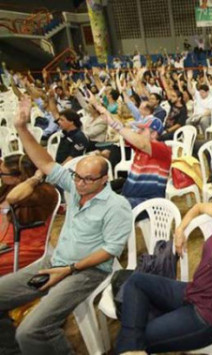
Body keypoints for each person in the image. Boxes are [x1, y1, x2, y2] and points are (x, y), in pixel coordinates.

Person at [0, 96, 132, 355]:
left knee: (33, 330)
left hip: (87, 271)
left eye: (87, 179)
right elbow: (45, 163)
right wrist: (22, 129)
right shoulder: (75, 185)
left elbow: (109, 252)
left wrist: (69, 269)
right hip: (55, 262)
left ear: (105, 179)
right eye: (77, 177)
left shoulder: (117, 206)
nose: (79, 183)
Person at [116, 177, 212, 353]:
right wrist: (180, 230)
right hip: (193, 291)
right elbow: (198, 207)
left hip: (209, 316)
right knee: (137, 281)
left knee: (140, 335)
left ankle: (128, 347)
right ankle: (130, 348)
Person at [91, 101, 172, 209]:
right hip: (130, 195)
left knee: (105, 207)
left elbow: (141, 143)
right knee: (95, 193)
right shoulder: (140, 147)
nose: (138, 131)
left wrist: (112, 123)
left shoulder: (162, 149)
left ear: (154, 134)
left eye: (142, 129)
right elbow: (124, 129)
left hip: (148, 202)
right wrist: (102, 109)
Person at [0, 155, 58, 275]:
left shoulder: (42, 193)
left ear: (18, 176)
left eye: (2, 173)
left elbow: (12, 198)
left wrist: (35, 178)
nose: (0, 176)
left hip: (22, 248)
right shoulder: (9, 187)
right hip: (6, 243)